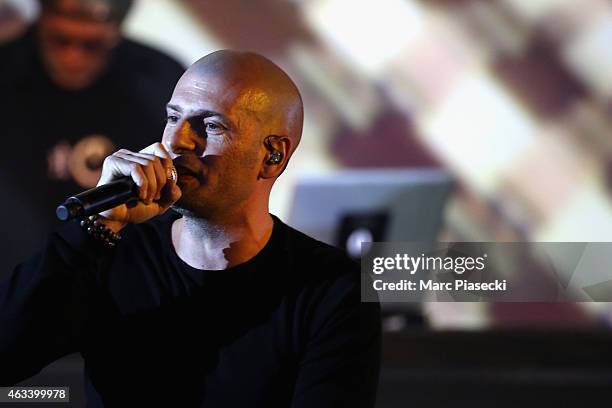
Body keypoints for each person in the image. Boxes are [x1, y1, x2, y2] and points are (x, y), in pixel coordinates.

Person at [0, 50, 382, 407]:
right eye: (172, 118)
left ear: (272, 155)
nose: (175, 142)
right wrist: (95, 227)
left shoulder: (331, 287)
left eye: (210, 125)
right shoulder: (112, 251)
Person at [0, 0, 184, 272]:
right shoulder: (6, 69)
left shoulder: (159, 83)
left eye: (92, 45)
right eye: (60, 40)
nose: (73, 57)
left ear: (115, 33)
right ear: (40, 23)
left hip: (108, 280)